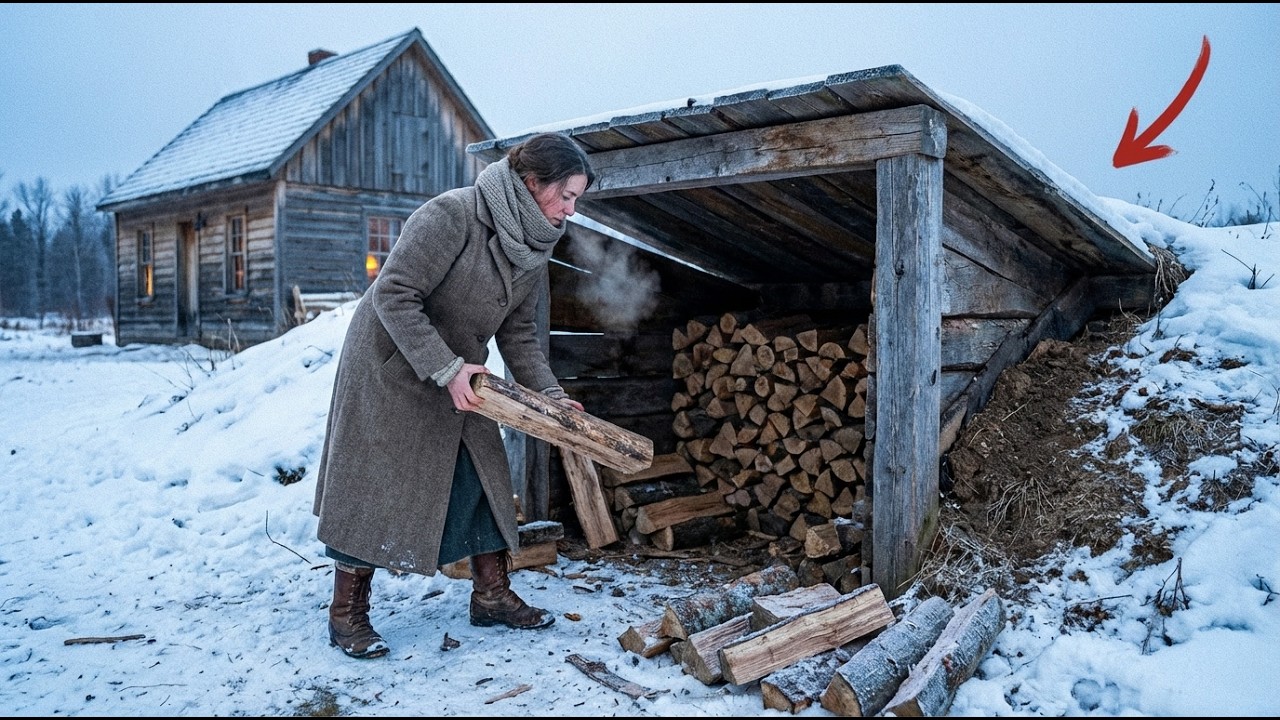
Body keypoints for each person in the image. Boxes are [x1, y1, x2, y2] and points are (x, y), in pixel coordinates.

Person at [312, 132, 595, 659]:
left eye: (577, 198)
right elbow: (394, 293)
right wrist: (443, 367)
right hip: (392, 363)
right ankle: (346, 614)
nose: (571, 210)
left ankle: (491, 595)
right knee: (373, 485)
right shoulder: (453, 214)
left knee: (483, 472)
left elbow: (518, 335)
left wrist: (551, 397)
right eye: (567, 196)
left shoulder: (534, 247)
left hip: (461, 371)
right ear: (533, 184)